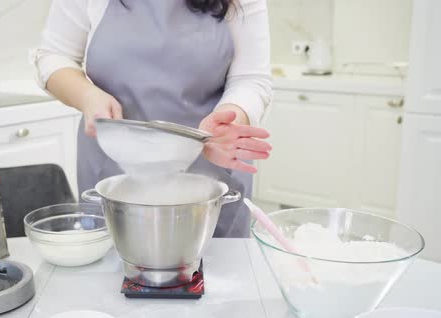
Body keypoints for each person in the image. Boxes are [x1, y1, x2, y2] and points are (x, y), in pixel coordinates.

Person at [33, 0, 272, 237]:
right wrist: (87, 96)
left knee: (213, 268)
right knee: (111, 267)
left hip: (209, 170)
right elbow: (53, 56)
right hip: (113, 169)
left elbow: (251, 79)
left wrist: (230, 119)